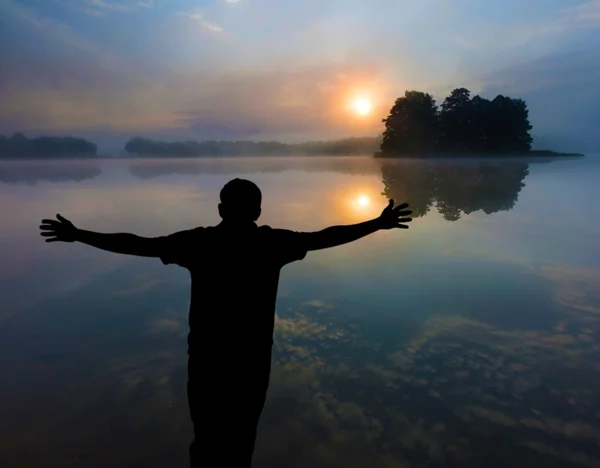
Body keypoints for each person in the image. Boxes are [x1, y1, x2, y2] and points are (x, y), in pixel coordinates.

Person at [39, 178, 412, 467]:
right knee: (242, 434)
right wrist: (376, 224)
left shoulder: (198, 243)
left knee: (205, 435)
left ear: (220, 208)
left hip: (206, 357)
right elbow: (326, 237)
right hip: (252, 359)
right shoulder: (273, 243)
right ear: (259, 210)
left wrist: (79, 235)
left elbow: (139, 244)